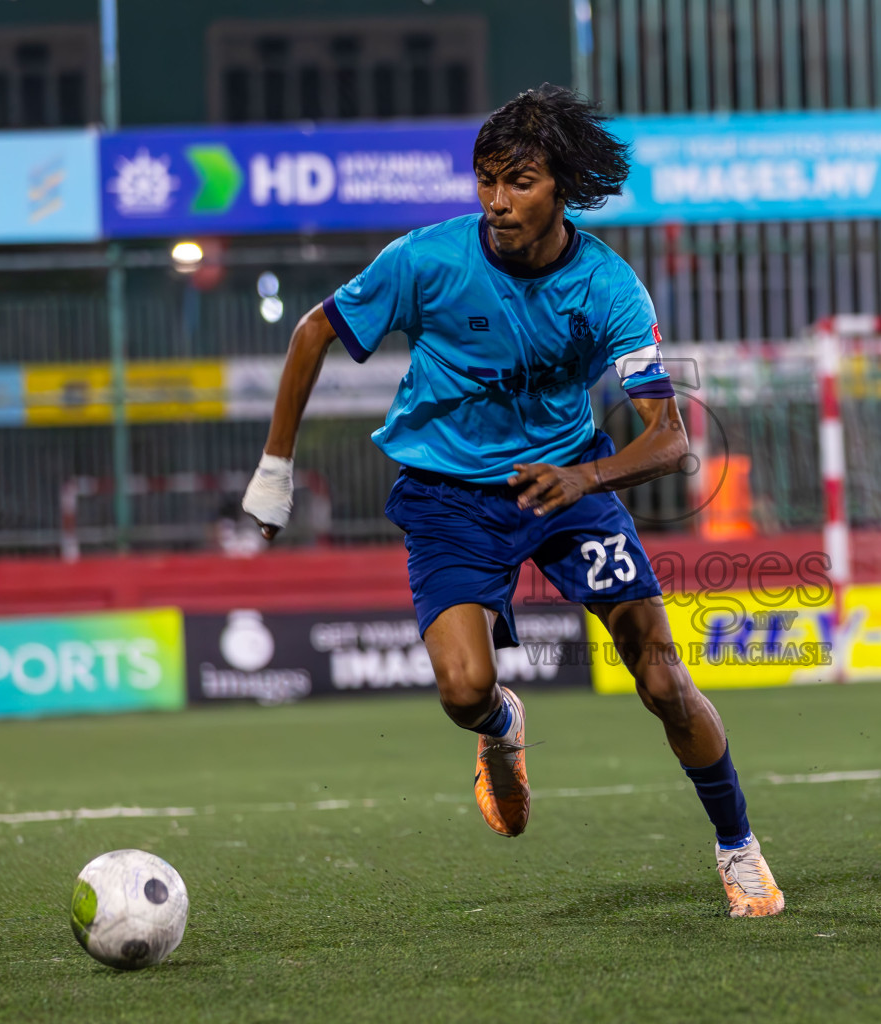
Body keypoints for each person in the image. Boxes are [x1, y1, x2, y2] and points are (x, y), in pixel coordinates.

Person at [240, 85, 784, 918]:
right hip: (450, 498)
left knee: (663, 681)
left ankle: (739, 848)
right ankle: (502, 727)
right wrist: (275, 469)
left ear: (560, 185)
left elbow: (672, 440)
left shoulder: (607, 286)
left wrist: (585, 479)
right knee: (462, 691)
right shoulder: (426, 260)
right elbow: (314, 331)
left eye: (519, 181)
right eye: (487, 180)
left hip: (571, 487)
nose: (497, 201)